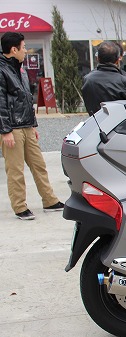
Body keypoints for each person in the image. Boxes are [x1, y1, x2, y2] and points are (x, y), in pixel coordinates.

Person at [0, 32, 64, 220]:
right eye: (23, 47)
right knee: (16, 170)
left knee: (39, 165)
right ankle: (20, 207)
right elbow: (0, 103)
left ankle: (49, 200)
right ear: (14, 49)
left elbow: (26, 99)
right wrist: (5, 131)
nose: (26, 50)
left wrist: (33, 125)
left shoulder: (19, 69)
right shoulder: (2, 70)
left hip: (26, 125)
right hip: (12, 128)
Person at [81, 41, 126, 115]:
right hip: (119, 121)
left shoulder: (87, 80)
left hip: (95, 121)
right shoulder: (123, 81)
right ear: (117, 60)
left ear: (98, 58)